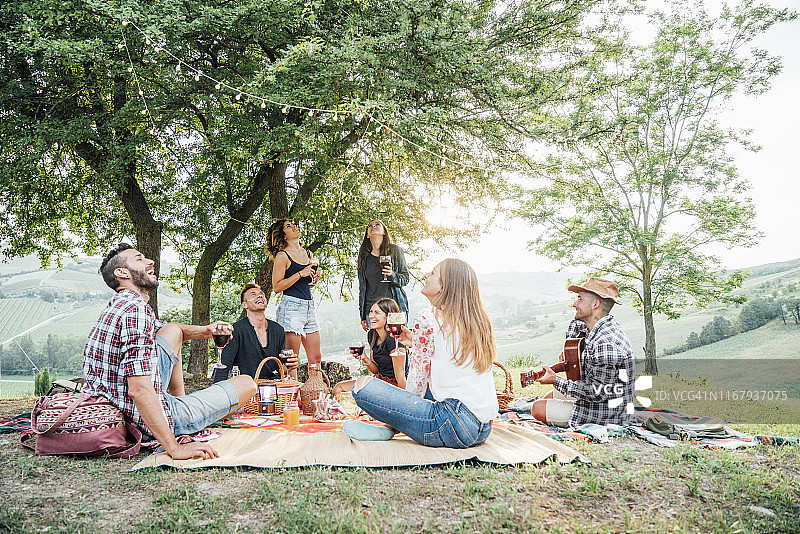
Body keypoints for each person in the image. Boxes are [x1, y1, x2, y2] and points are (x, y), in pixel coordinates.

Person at [82, 243, 257, 460]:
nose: (150, 261)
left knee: (173, 330)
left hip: (116, 406)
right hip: (141, 420)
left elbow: (172, 330)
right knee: (247, 384)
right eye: (139, 259)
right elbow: (139, 390)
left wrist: (207, 331)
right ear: (122, 273)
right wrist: (174, 448)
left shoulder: (120, 305)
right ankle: (182, 421)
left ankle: (182, 403)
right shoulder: (135, 311)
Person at [345, 258, 498, 448]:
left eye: (433, 273)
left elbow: (417, 380)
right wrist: (416, 342)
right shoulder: (474, 321)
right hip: (482, 429)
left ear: (445, 285)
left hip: (450, 424)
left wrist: (400, 411)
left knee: (362, 386)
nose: (426, 275)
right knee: (431, 393)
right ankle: (389, 429)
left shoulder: (428, 317)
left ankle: (389, 428)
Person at [530, 277, 635, 428]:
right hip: (599, 398)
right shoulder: (598, 323)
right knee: (549, 396)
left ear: (595, 304)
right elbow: (575, 324)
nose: (574, 304)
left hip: (607, 411)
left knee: (537, 408)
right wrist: (569, 348)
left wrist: (556, 380)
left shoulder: (606, 343)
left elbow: (597, 393)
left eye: (579, 299)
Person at [212, 283, 299, 383]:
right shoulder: (236, 329)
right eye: (253, 294)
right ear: (244, 305)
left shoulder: (278, 330)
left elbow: (283, 369)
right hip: (246, 388)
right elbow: (223, 366)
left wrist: (291, 366)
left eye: (262, 294)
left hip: (272, 387)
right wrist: (217, 393)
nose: (260, 296)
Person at [268, 219, 322, 365]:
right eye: (288, 226)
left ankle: (316, 388)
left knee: (316, 358)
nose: (294, 226)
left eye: (293, 224)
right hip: (291, 308)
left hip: (309, 307)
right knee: (291, 360)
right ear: (283, 235)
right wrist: (300, 274)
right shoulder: (282, 256)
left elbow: (306, 285)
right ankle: (291, 387)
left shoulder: (308, 254)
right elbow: (277, 287)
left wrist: (314, 280)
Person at [333, 298, 407, 395]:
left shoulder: (394, 340)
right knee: (338, 388)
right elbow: (375, 370)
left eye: (377, 313)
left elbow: (400, 377)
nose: (371, 316)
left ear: (388, 316)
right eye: (371, 312)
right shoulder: (372, 334)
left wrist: (406, 402)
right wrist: (364, 358)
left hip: (393, 386)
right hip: (379, 381)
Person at [356, 219, 409, 331]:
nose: (373, 226)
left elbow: (405, 279)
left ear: (384, 232)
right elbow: (362, 289)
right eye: (370, 225)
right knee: (376, 346)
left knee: (398, 345)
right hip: (372, 311)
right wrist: (363, 315)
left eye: (377, 224)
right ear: (367, 235)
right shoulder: (364, 257)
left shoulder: (395, 251)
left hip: (393, 309)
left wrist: (392, 275)